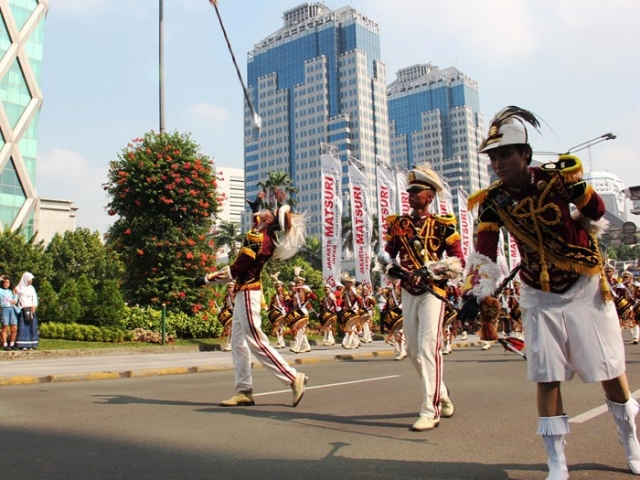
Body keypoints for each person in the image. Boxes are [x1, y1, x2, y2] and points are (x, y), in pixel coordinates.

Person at [459, 105, 640, 478]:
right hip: (537, 294)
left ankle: (629, 437)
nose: (498, 163)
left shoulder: (554, 178)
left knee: (609, 368)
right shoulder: (492, 201)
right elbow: (484, 251)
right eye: (493, 157)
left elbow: (597, 210)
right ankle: (556, 460)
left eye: (505, 155)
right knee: (546, 375)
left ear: (525, 154)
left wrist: (576, 182)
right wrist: (474, 295)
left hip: (584, 285)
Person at [196, 198, 307, 407]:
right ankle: (244, 391)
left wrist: (205, 279)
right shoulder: (268, 238)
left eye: (269, 212)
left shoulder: (257, 238)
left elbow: (234, 270)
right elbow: (257, 229)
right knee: (238, 343)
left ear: (269, 220)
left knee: (256, 340)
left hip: (247, 294)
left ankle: (292, 377)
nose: (266, 212)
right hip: (245, 292)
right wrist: (255, 210)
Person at [382, 162, 465, 432]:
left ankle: (431, 410)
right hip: (408, 291)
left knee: (429, 347)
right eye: (409, 190)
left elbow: (457, 261)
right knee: (414, 352)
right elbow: (385, 255)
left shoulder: (443, 225)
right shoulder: (398, 225)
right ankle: (441, 392)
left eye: (416, 190)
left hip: (433, 291)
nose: (410, 194)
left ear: (429, 196)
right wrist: (391, 268)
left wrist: (428, 270)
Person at [289, 268, 316, 354]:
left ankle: (296, 347)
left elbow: (314, 298)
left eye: (299, 282)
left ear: (302, 283)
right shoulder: (294, 293)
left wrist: (310, 291)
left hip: (304, 311)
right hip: (297, 312)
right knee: (301, 330)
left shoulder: (305, 290)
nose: (297, 284)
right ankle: (306, 346)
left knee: (300, 329)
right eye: (296, 283)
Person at [15, 272, 38, 350]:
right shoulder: (19, 288)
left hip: (31, 309)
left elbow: (34, 297)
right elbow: (15, 297)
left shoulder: (32, 288)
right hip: (23, 309)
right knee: (23, 326)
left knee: (32, 326)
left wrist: (34, 305)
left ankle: (32, 344)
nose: (31, 281)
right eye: (29, 279)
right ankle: (23, 344)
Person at [339, 273, 362, 350]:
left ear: (350, 284)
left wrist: (361, 308)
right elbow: (343, 301)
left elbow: (359, 299)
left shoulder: (353, 291)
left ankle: (346, 343)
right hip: (349, 311)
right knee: (352, 327)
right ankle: (356, 342)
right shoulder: (346, 292)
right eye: (344, 283)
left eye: (346, 283)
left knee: (350, 327)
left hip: (354, 310)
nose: (345, 284)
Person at [268, 273, 290, 349]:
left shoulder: (285, 294)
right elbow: (271, 305)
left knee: (281, 327)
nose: (278, 288)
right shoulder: (273, 296)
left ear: (282, 287)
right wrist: (268, 309)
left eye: (279, 286)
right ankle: (280, 341)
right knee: (277, 327)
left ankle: (281, 341)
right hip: (276, 314)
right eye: (276, 287)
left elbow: (289, 303)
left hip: (283, 312)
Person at [0, 276, 18, 351]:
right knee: (5, 327)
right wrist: (1, 278)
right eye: (4, 282)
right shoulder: (0, 290)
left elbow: (15, 298)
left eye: (7, 282)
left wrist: (15, 300)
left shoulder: (11, 291)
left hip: (12, 309)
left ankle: (12, 344)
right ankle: (5, 344)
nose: (6, 284)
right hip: (4, 309)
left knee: (14, 327)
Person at [220, 282, 235, 352]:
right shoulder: (226, 297)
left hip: (237, 314)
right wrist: (221, 310)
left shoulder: (236, 296)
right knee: (230, 330)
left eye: (230, 287)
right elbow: (225, 306)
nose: (229, 289)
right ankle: (229, 345)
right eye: (228, 288)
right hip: (230, 315)